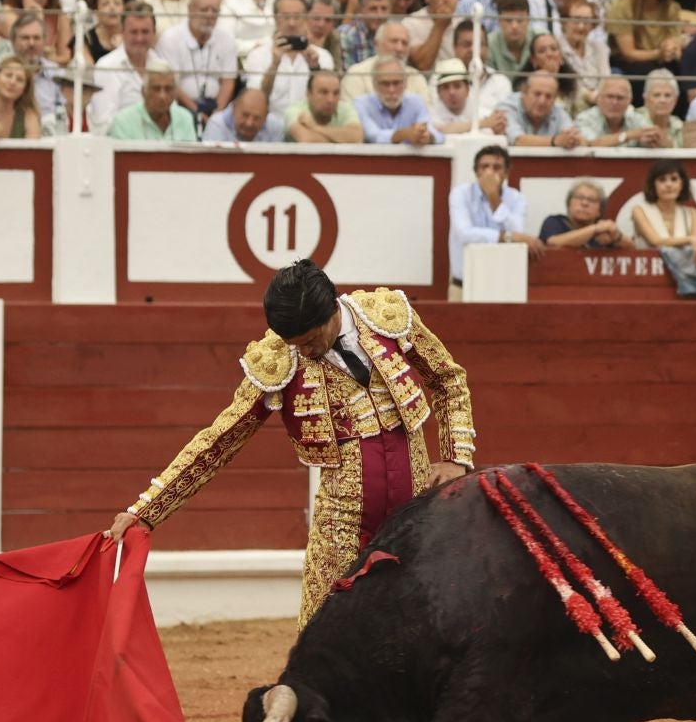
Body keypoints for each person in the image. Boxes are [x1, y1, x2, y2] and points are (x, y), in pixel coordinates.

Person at [105, 259, 473, 623]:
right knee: (320, 638)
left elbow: (448, 380)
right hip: (341, 523)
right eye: (295, 344)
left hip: (417, 513)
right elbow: (220, 439)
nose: (306, 352)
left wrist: (456, 455)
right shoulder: (281, 359)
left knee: (426, 632)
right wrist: (147, 510)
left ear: (332, 310)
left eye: (312, 340)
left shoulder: (387, 317)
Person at [449, 143, 540, 285]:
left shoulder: (517, 198)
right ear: (476, 172)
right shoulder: (461, 194)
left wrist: (494, 197)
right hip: (464, 282)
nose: (490, 173)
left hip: (504, 282)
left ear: (506, 172)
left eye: (496, 167)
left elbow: (518, 233)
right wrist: (505, 236)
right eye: (484, 167)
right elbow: (464, 233)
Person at [630, 159, 696, 299]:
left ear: (682, 184)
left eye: (674, 179)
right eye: (662, 180)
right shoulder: (640, 210)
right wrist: (691, 239)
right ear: (653, 185)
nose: (669, 185)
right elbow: (656, 241)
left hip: (685, 282)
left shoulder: (691, 213)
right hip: (647, 281)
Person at [107, 62, 197, 142]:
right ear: (143, 92)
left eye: (168, 89)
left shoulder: (185, 118)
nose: (162, 96)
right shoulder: (123, 121)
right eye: (156, 89)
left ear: (175, 93)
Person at [540, 181, 631, 250]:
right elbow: (553, 243)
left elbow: (632, 248)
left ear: (599, 211)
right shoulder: (554, 221)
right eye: (579, 198)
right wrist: (594, 229)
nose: (584, 203)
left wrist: (615, 236)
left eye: (591, 200)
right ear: (569, 204)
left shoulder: (603, 230)